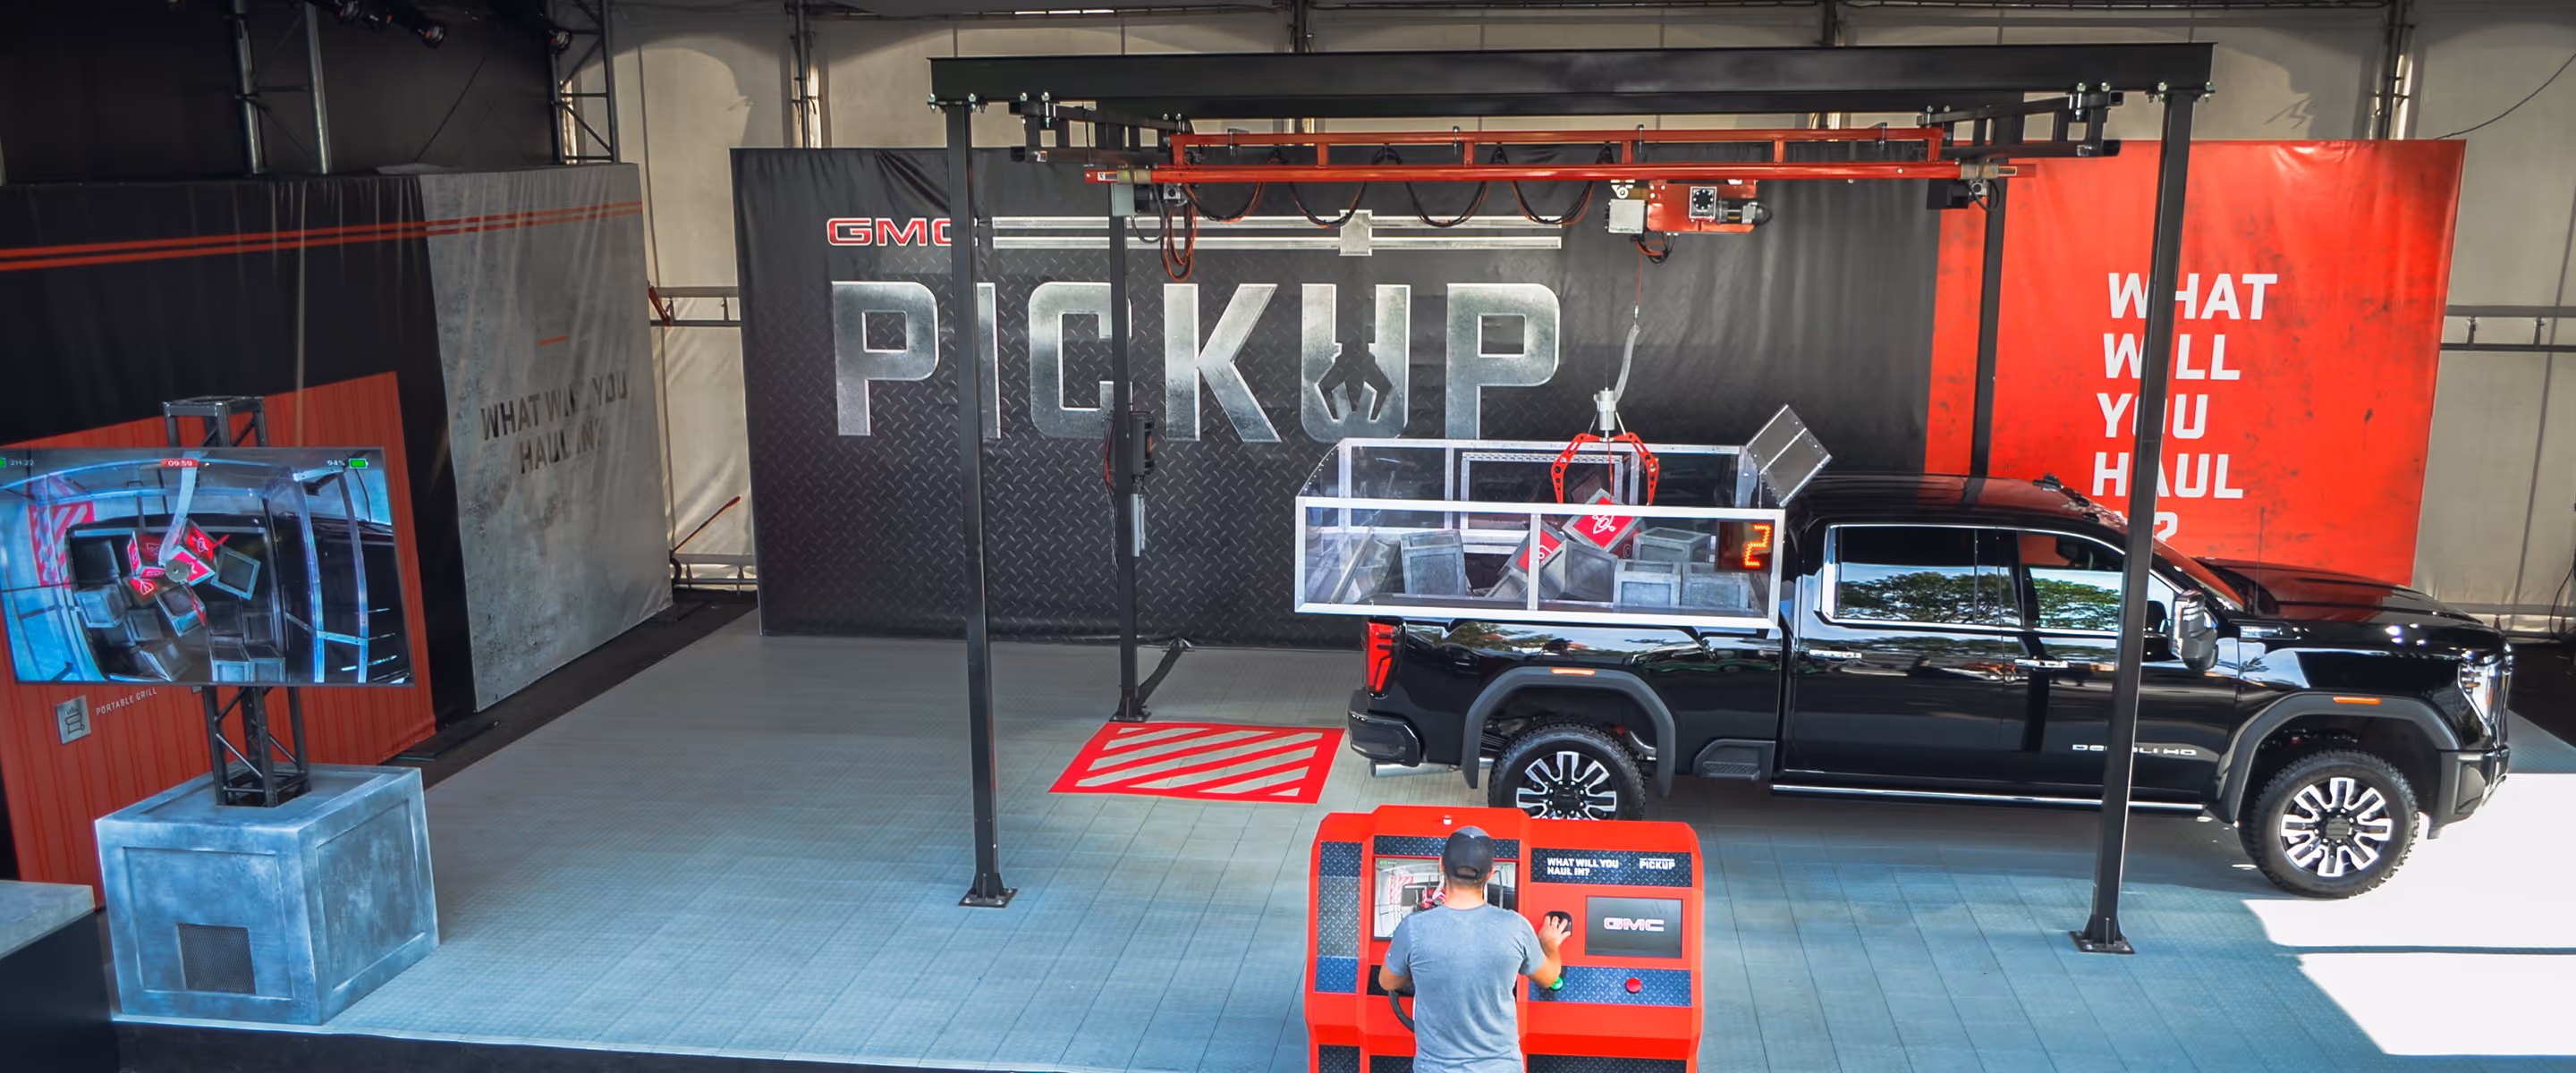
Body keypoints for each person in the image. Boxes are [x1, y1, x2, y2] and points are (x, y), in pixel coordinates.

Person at [1377, 826, 1569, 1073]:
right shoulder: (1516, 927)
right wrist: (1550, 945)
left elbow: (1387, 981)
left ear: (1442, 865)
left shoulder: (1413, 928)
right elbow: (1550, 977)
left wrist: (1420, 968)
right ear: (1490, 873)